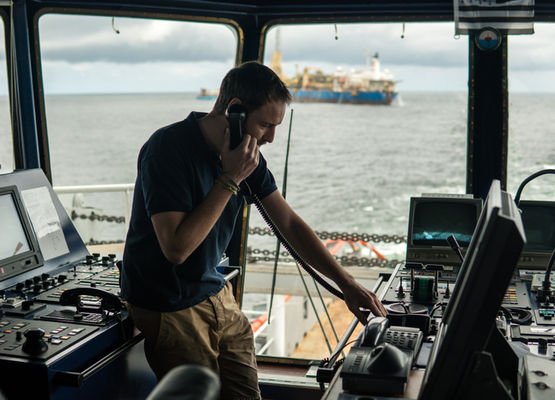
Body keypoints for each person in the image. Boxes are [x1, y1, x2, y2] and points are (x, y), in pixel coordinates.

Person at [121, 61, 387, 400]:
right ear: (234, 111)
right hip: (168, 304)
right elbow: (176, 248)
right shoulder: (168, 148)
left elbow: (288, 222)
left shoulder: (248, 155)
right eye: (265, 124)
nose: (271, 138)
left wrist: (347, 284)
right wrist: (230, 179)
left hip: (213, 291)